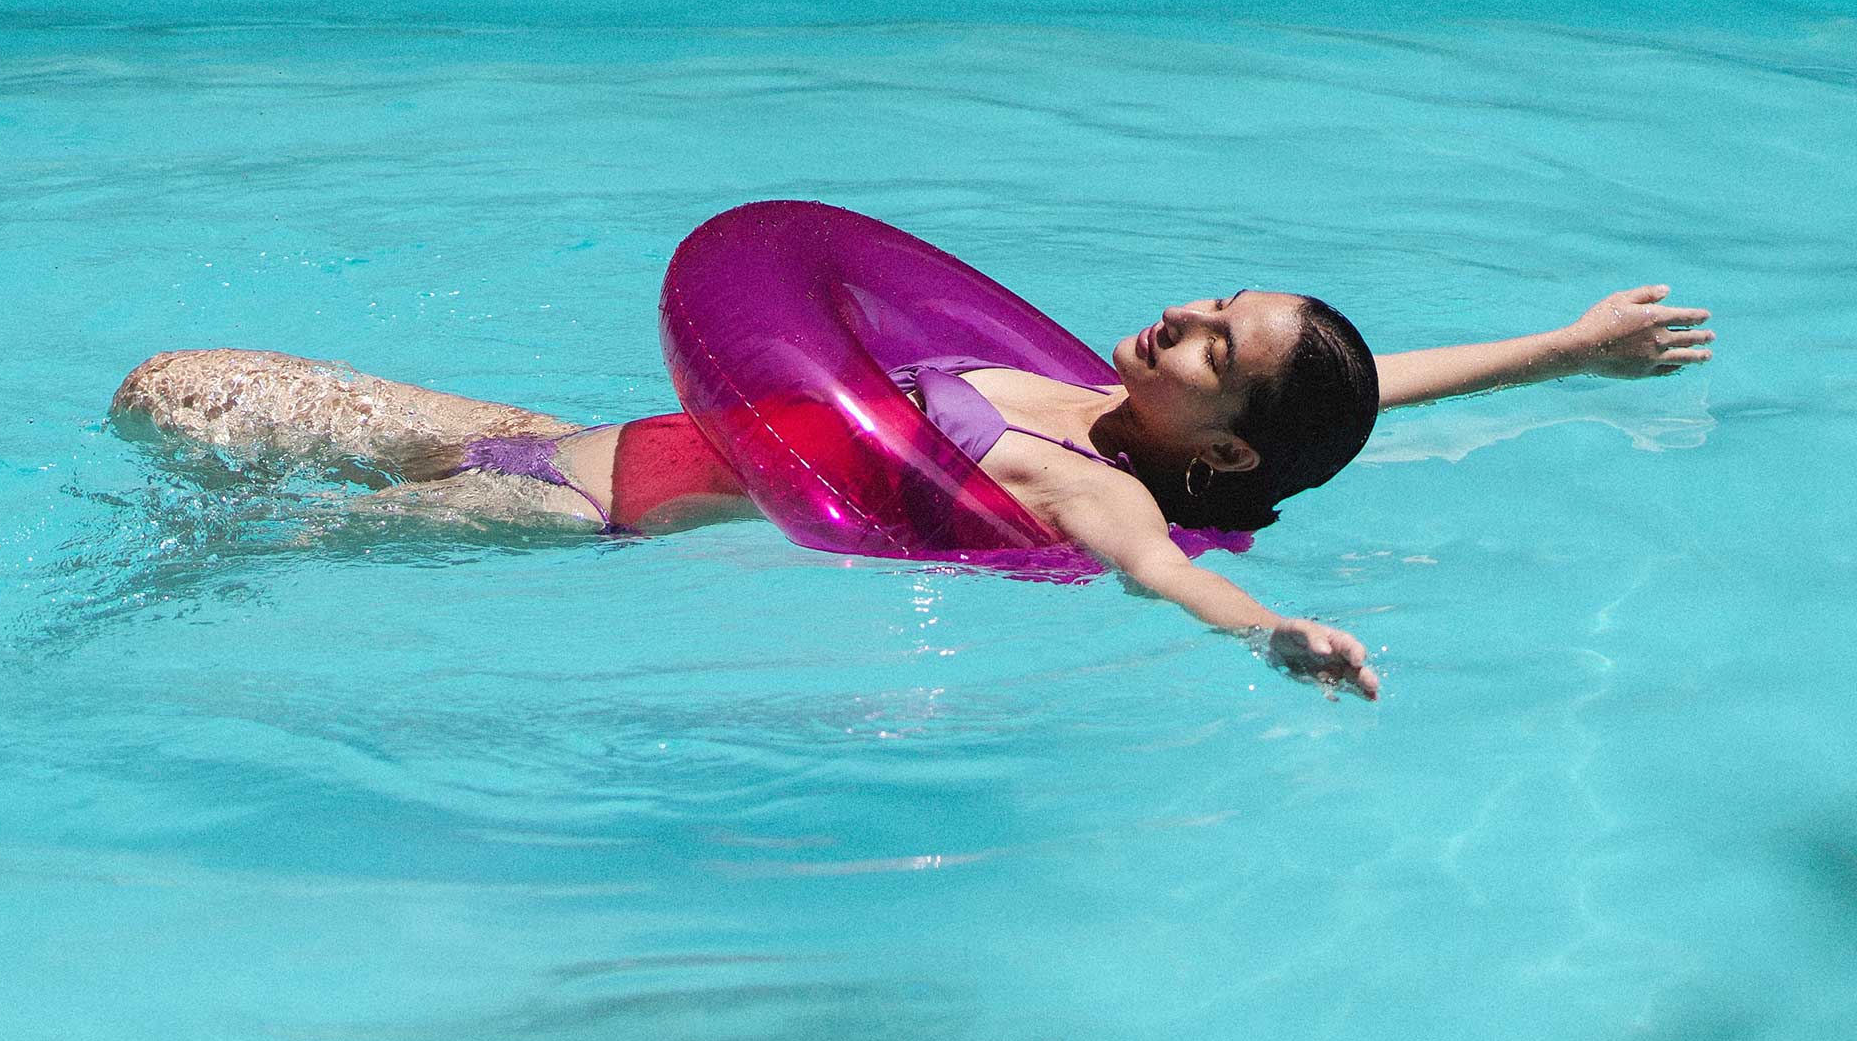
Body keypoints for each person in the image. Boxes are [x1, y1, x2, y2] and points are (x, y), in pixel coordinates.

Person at [111, 283, 1712, 700]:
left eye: (1215, 346)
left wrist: (1267, 627)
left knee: (214, 542)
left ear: (1221, 448)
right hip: (551, 432)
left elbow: (1163, 570)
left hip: (567, 510)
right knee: (171, 389)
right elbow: (1370, 388)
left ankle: (119, 605)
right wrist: (1565, 351)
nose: (1187, 316)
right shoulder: (1096, 386)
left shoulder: (1093, 486)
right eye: (1220, 299)